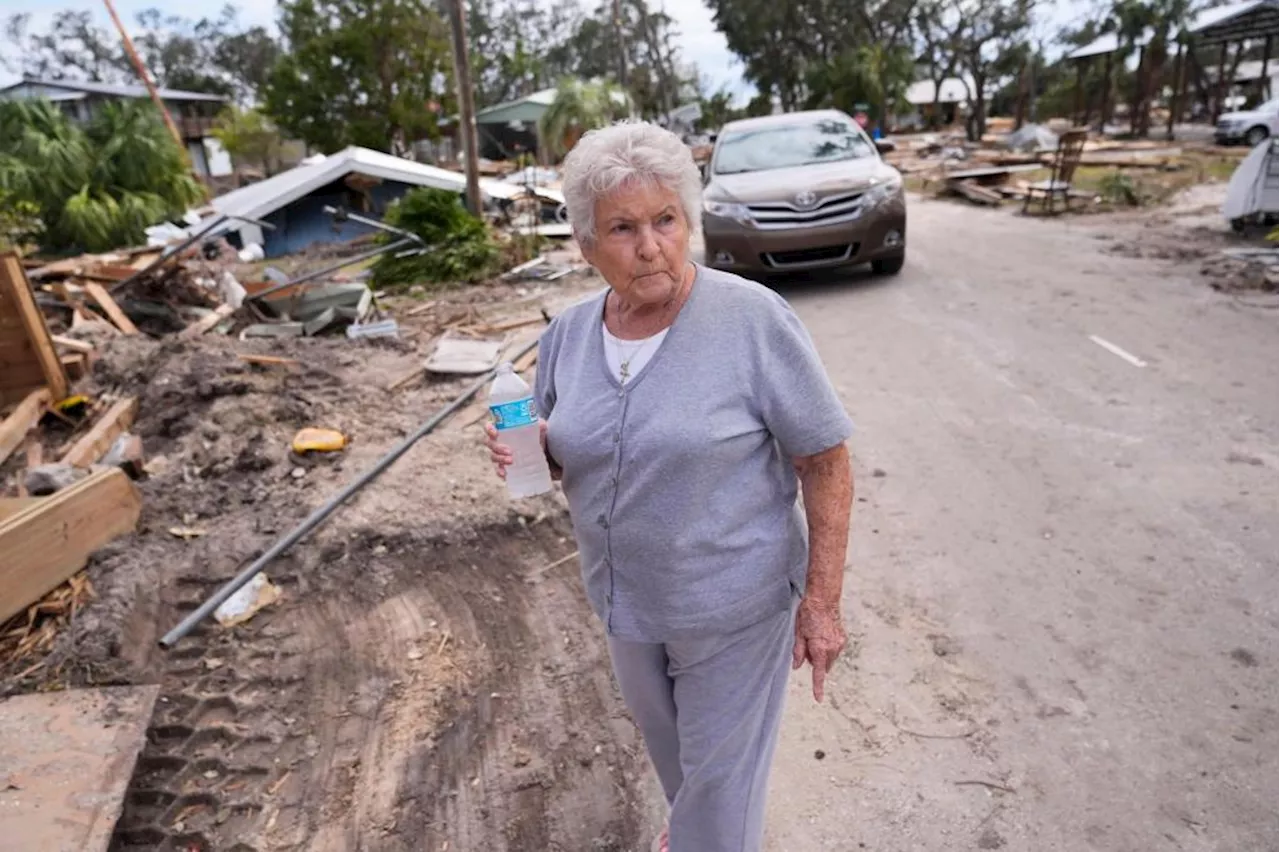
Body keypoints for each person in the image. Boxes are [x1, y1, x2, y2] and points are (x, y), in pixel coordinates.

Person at [484, 121, 854, 852]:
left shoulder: (750, 320)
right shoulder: (567, 336)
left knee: (718, 803)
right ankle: (693, 827)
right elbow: (572, 450)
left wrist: (822, 604)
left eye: (665, 220)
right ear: (587, 245)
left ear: (689, 222)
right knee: (683, 770)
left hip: (733, 610)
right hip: (626, 606)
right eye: (622, 228)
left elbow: (827, 459)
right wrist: (536, 454)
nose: (649, 245)